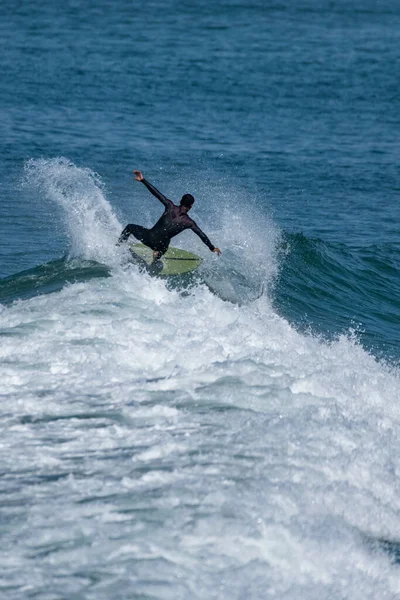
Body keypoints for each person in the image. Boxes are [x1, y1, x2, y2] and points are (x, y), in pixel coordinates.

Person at [118, 170, 221, 262]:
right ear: (191, 206)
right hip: (158, 245)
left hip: (147, 238)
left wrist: (143, 180)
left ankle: (118, 247)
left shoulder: (170, 206)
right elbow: (201, 235)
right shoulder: (189, 222)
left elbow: (156, 193)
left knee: (129, 227)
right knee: (167, 239)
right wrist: (212, 248)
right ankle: (157, 254)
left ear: (180, 201)